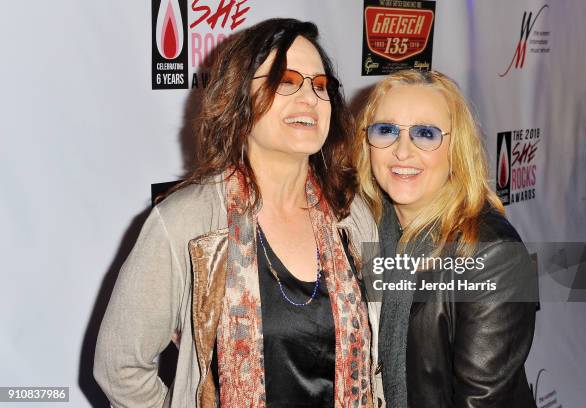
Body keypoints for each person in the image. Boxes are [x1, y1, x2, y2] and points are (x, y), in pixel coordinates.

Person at [94, 19, 379, 408]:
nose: (310, 98)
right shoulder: (186, 221)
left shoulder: (353, 214)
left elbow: (381, 341)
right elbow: (120, 368)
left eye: (320, 85)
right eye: (285, 80)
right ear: (239, 96)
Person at [356, 70, 538, 407]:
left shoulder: (492, 253)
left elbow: (481, 402)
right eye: (386, 130)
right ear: (367, 142)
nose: (401, 151)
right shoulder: (363, 229)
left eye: (425, 134)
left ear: (456, 148)